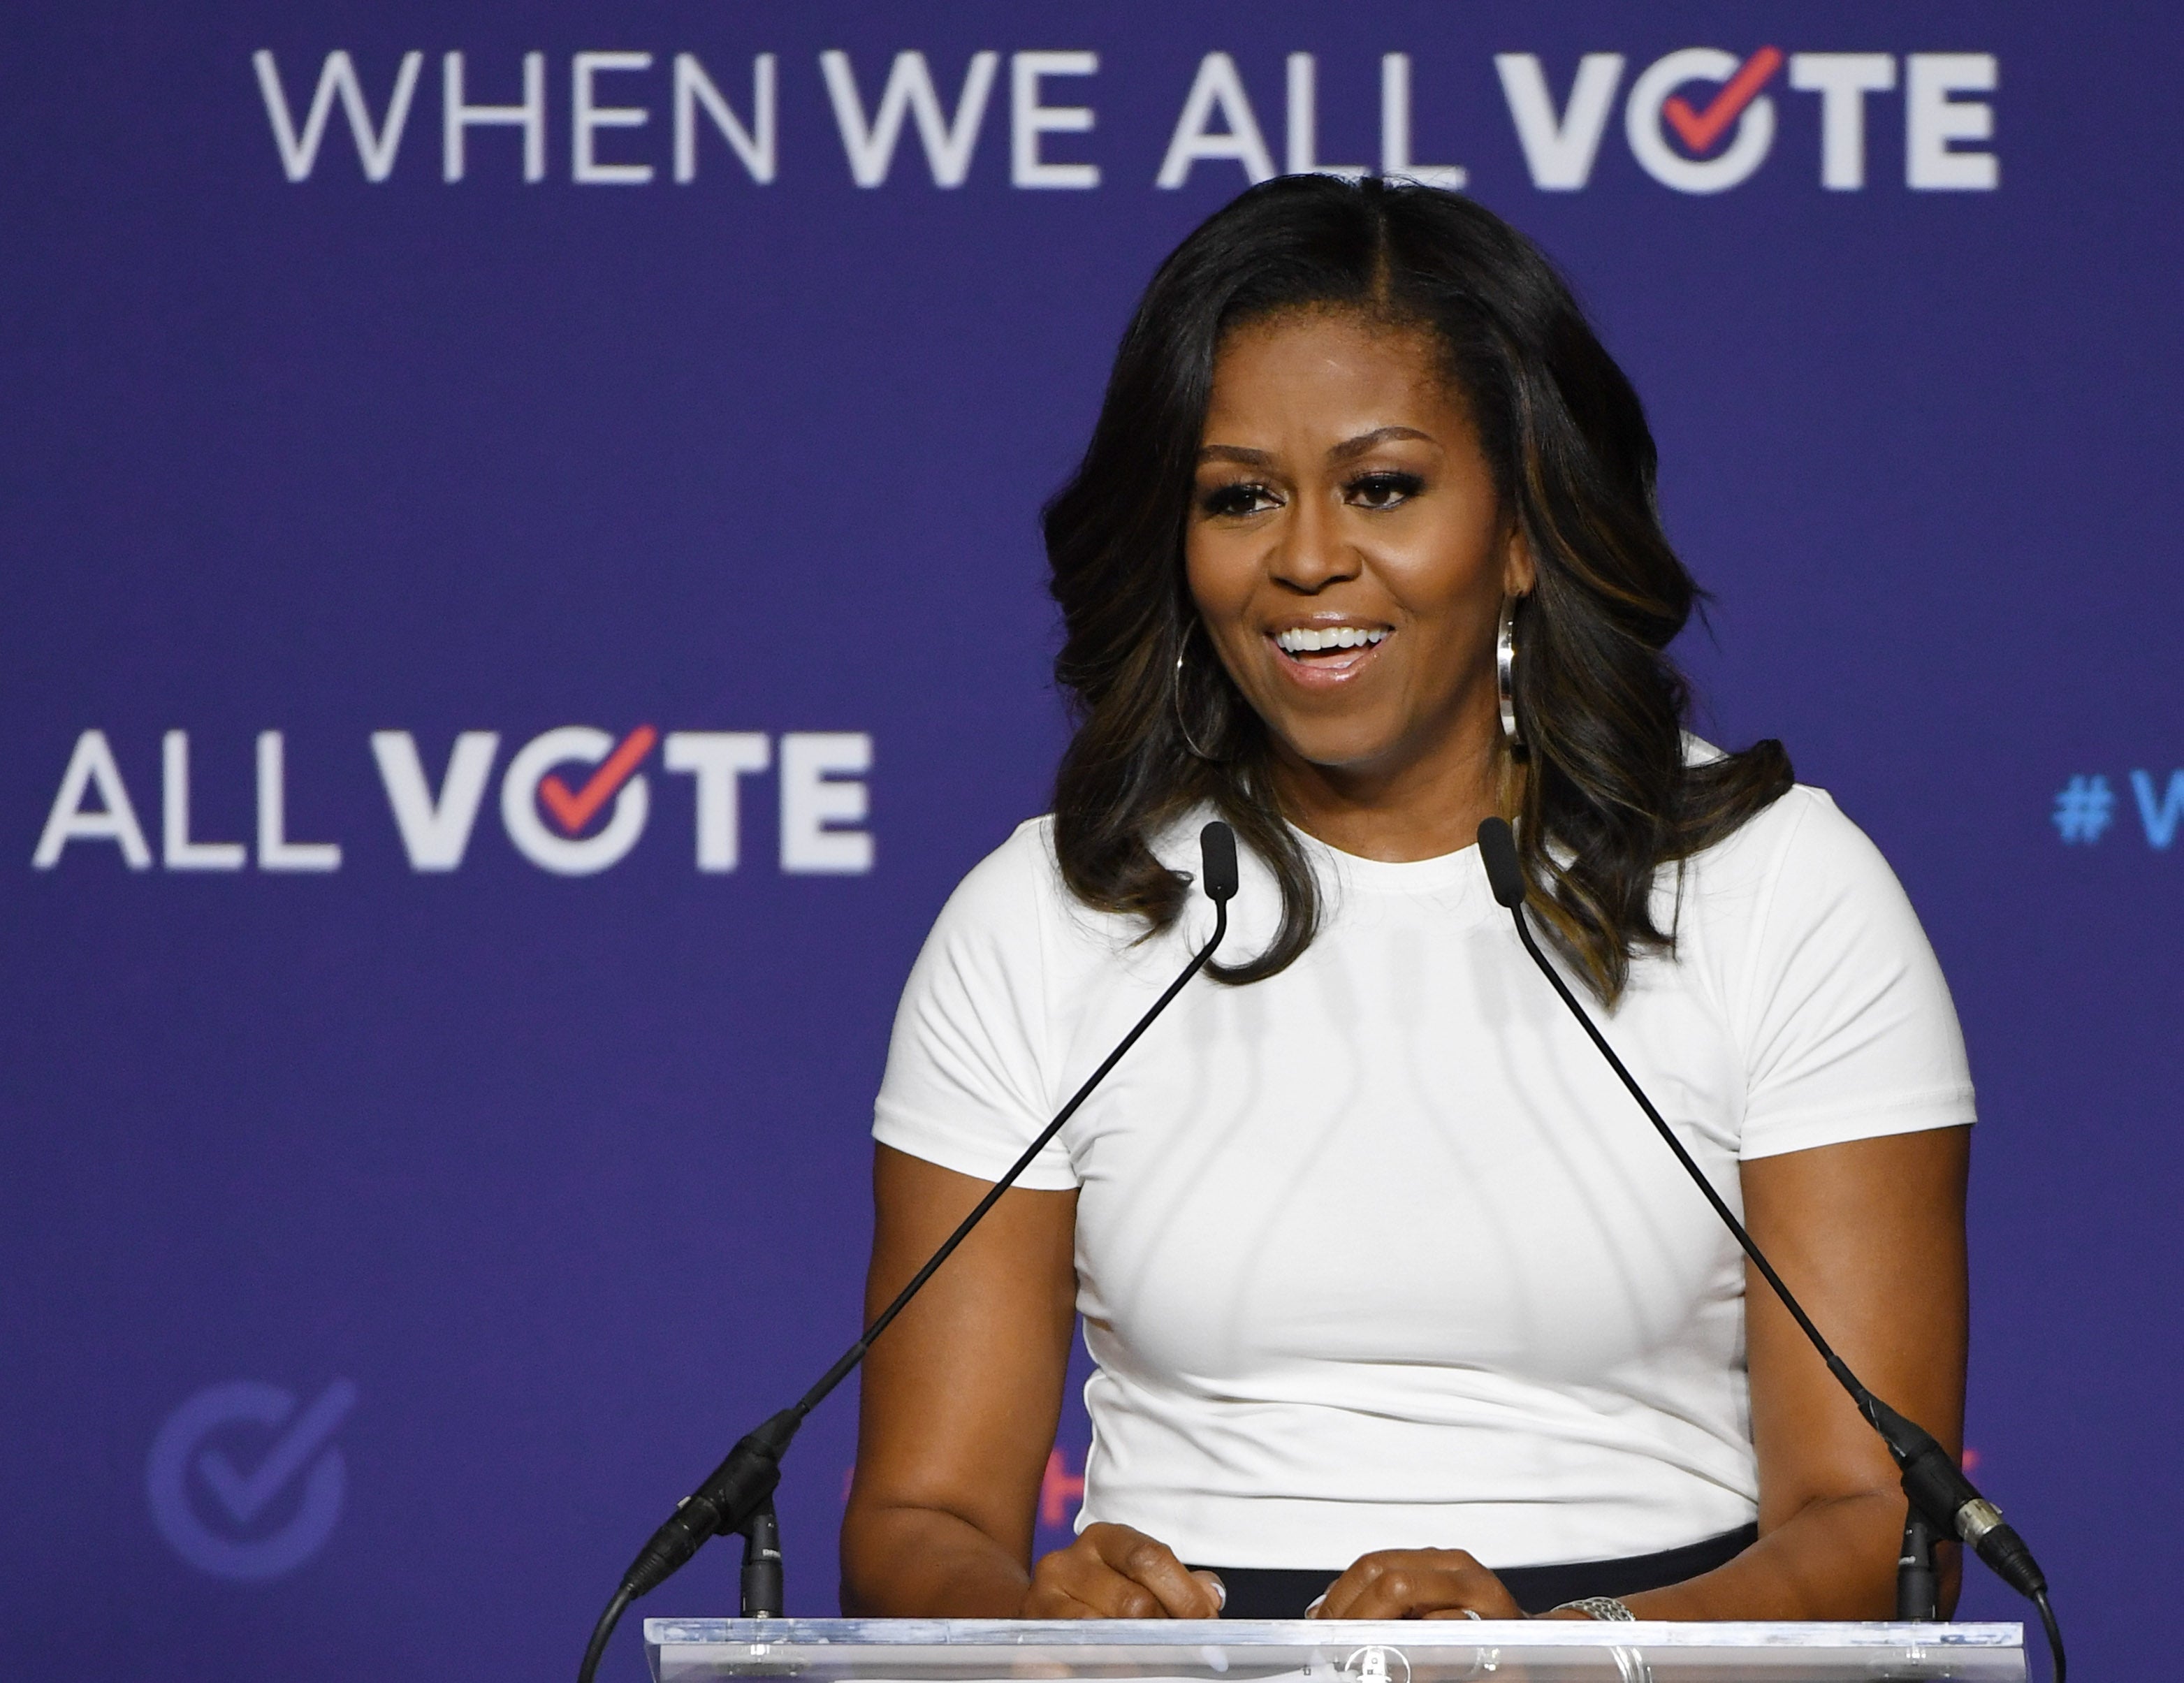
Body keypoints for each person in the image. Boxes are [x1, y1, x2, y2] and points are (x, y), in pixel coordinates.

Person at [838, 175, 1972, 1624]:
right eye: (1239, 495)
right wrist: (1037, 1629)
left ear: (1520, 528)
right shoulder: (1051, 912)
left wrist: (1576, 1663)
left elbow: (1876, 1516)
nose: (1307, 557)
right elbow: (918, 1516)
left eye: (1383, 485)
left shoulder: (1775, 889)